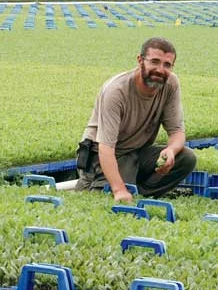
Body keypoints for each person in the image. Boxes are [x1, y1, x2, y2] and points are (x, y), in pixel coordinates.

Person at [75, 37, 196, 202]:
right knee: (107, 198)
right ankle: (98, 186)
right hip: (104, 154)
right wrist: (118, 190)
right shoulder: (116, 91)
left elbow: (176, 131)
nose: (160, 70)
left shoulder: (171, 84)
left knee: (186, 158)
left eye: (167, 65)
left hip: (137, 152)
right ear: (140, 60)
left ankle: (139, 195)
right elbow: (106, 148)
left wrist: (172, 150)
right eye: (155, 62)